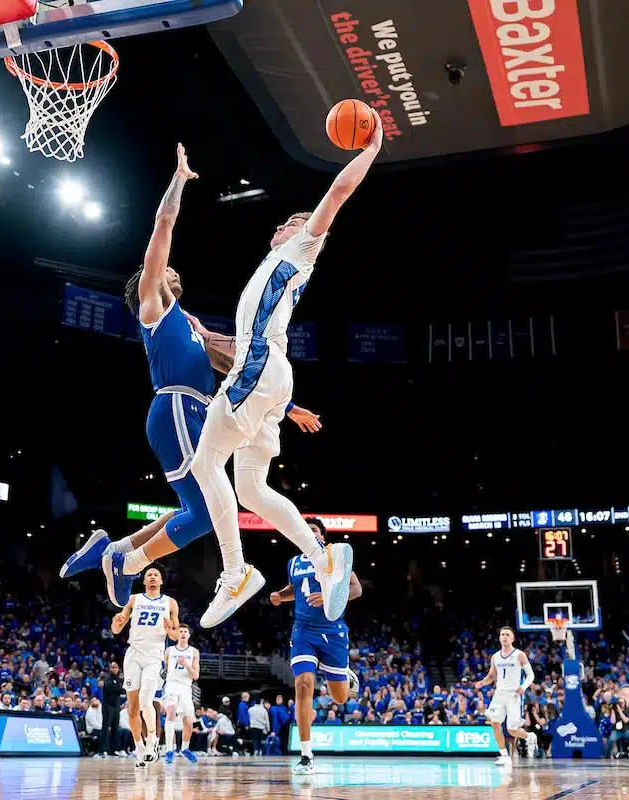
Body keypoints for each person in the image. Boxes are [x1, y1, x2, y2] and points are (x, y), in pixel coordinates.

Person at [59, 143, 321, 603]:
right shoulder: (154, 308)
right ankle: (125, 561)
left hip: (199, 410)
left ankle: (113, 548)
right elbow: (163, 226)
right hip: (177, 406)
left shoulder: (190, 327)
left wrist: (289, 405)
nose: (171, 270)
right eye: (163, 269)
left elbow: (241, 368)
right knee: (202, 515)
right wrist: (179, 180)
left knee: (199, 506)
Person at [193, 116, 387, 629]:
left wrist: (373, 147)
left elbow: (339, 190)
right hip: (272, 375)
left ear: (301, 230)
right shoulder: (278, 261)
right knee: (251, 489)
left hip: (261, 367)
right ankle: (323, 559)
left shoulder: (301, 245)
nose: (277, 227)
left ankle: (236, 571)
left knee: (205, 464)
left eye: (286, 222)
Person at [270, 518, 362, 775]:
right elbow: (294, 589)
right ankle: (306, 754)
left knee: (340, 698)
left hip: (333, 631)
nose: (308, 534)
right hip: (303, 631)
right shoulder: (294, 562)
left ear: (322, 536)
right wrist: (281, 595)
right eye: (305, 531)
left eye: (313, 530)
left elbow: (356, 589)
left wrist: (329, 597)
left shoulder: (335, 556)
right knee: (303, 683)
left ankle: (346, 674)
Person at [111, 565, 178, 767]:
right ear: (144, 580)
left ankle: (152, 740)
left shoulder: (170, 603)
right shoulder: (133, 599)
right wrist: (117, 621)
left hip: (154, 656)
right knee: (133, 709)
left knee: (146, 700)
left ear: (161, 581)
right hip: (133, 654)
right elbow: (116, 629)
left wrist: (170, 630)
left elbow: (174, 635)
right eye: (149, 575)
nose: (152, 577)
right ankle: (139, 748)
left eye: (156, 575)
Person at [472, 627, 537, 768]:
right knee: (495, 723)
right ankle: (504, 756)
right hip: (499, 694)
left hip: (514, 695)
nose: (504, 637)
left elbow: (531, 675)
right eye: (502, 634)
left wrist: (523, 686)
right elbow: (491, 676)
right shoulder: (495, 656)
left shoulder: (520, 655)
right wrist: (481, 683)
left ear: (513, 638)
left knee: (512, 730)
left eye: (507, 634)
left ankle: (529, 736)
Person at [162, 623, 200, 764]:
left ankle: (184, 748)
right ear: (177, 634)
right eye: (181, 631)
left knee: (188, 722)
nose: (183, 633)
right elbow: (164, 670)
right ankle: (169, 750)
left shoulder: (194, 652)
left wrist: (186, 665)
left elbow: (195, 675)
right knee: (171, 712)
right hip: (172, 685)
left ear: (189, 635)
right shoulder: (169, 651)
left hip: (186, 687)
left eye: (186, 631)